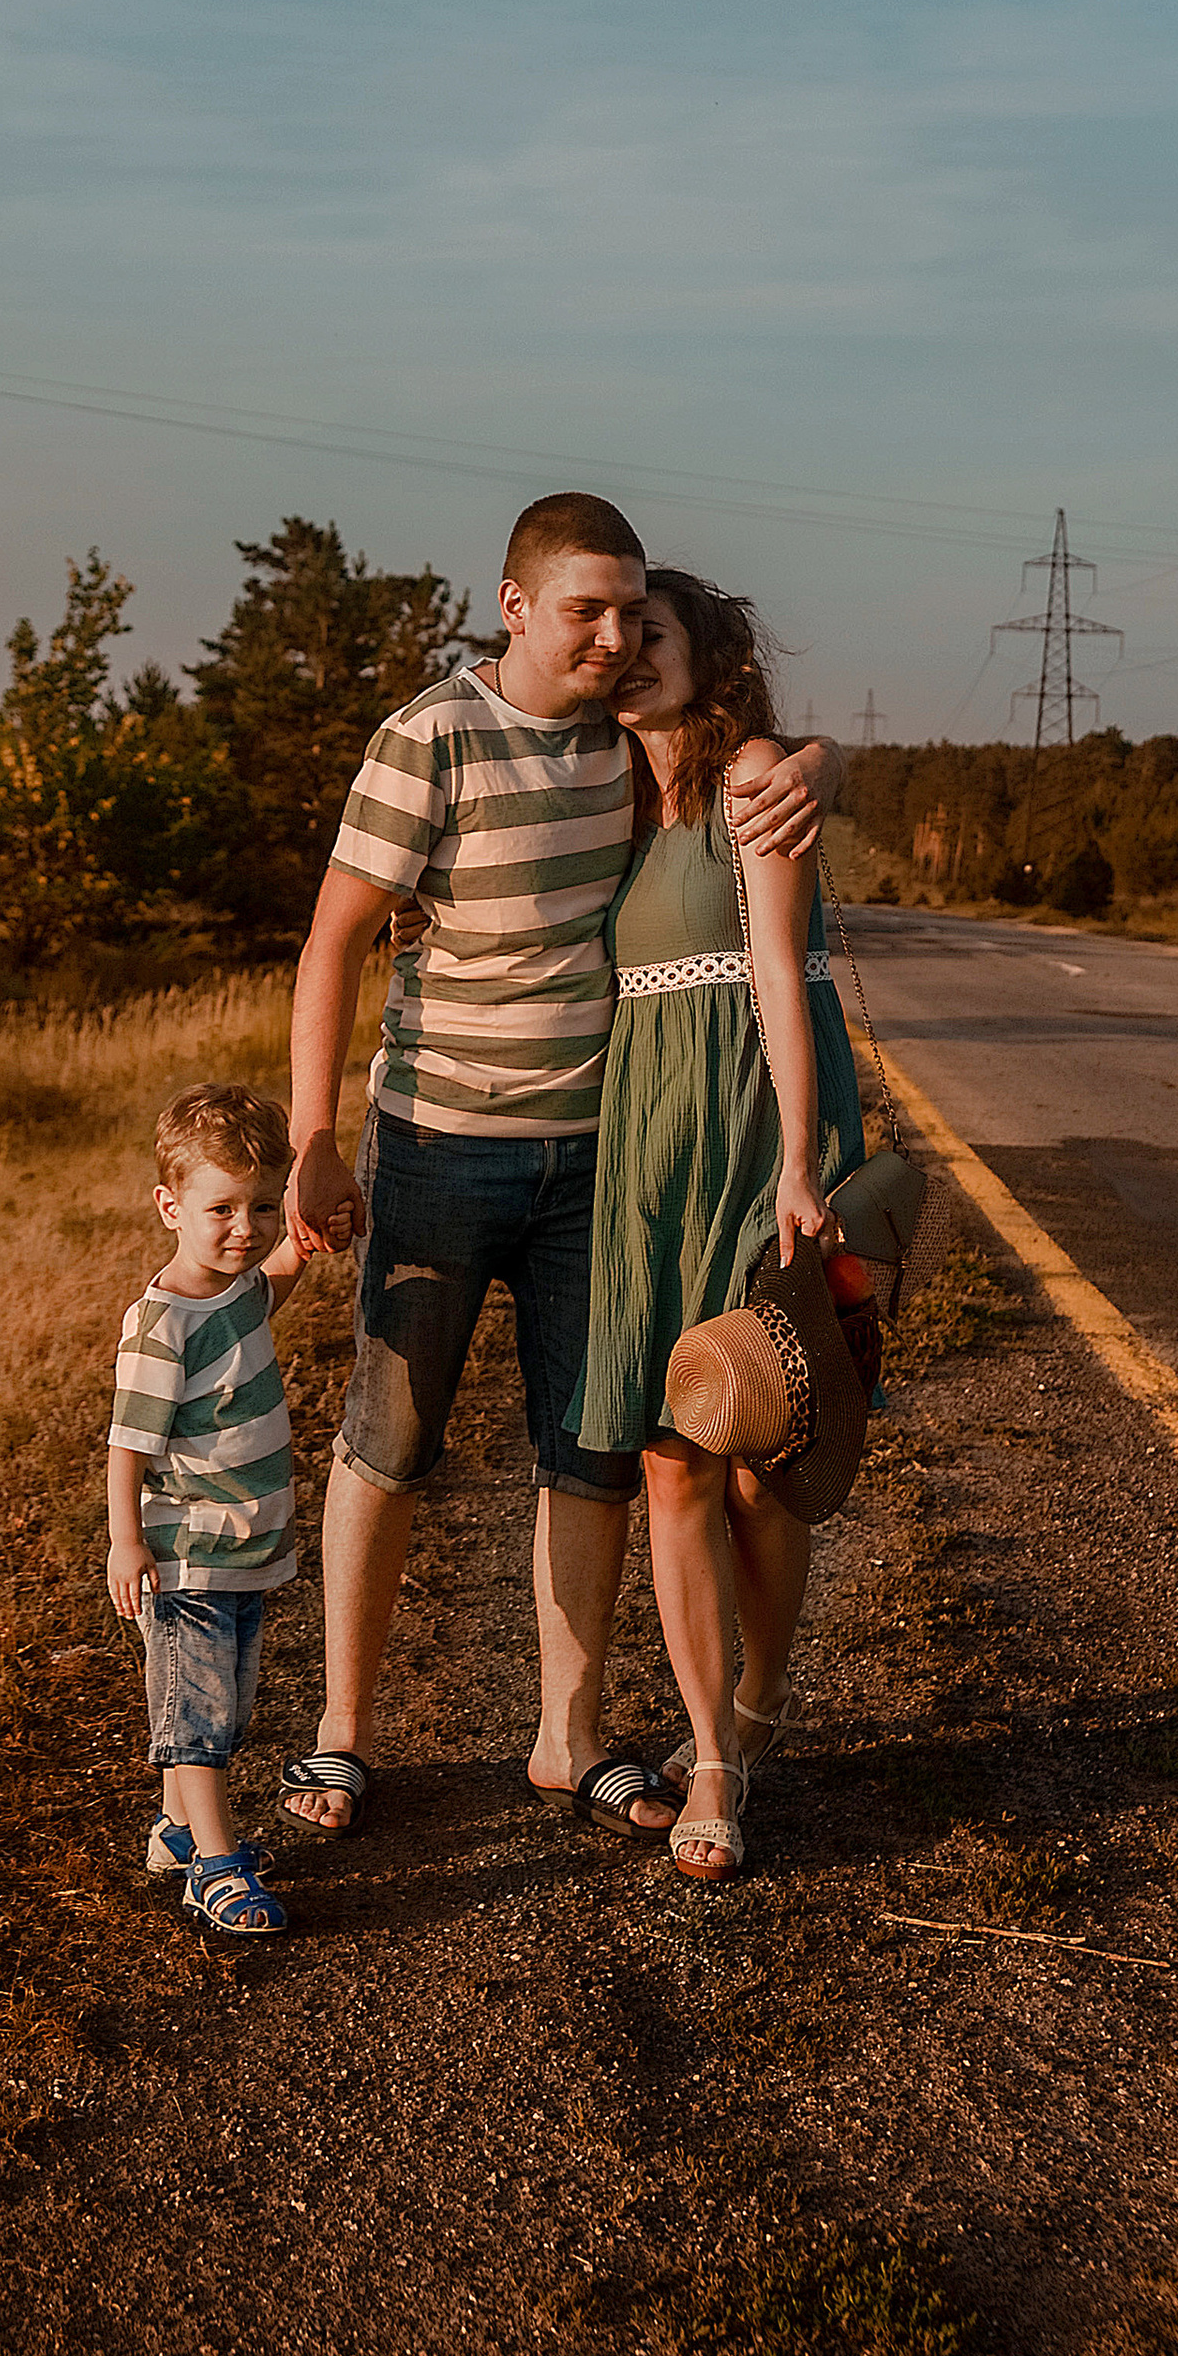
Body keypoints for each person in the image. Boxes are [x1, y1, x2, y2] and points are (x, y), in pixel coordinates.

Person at [279, 492, 842, 1841]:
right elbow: (331, 941)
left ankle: (569, 1739)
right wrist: (308, 1137)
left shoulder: (619, 732)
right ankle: (342, 1736)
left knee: (590, 1450)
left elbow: (738, 738)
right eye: (586, 610)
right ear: (513, 604)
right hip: (434, 1141)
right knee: (391, 1437)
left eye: (630, 613)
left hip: (593, 1152)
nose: (610, 637)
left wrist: (820, 762)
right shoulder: (431, 737)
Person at [572, 569, 867, 1885]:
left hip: (753, 1137)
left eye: (657, 634)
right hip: (646, 1157)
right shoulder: (597, 793)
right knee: (671, 1463)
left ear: (711, 652)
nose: (630, 655)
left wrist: (801, 1159)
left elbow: (777, 980)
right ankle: (711, 1754)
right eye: (617, 637)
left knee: (758, 1461)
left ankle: (751, 1715)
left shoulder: (753, 775)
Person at [104, 1083, 307, 1939]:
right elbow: (127, 1448)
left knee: (219, 1696)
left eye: (262, 1205)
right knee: (200, 1717)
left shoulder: (236, 1290)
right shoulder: (162, 1327)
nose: (244, 1228)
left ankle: (179, 1833)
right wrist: (125, 1544)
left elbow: (273, 1287)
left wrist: (309, 1232)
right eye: (220, 1207)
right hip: (188, 1552)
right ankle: (215, 1870)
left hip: (246, 1544)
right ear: (169, 1206)